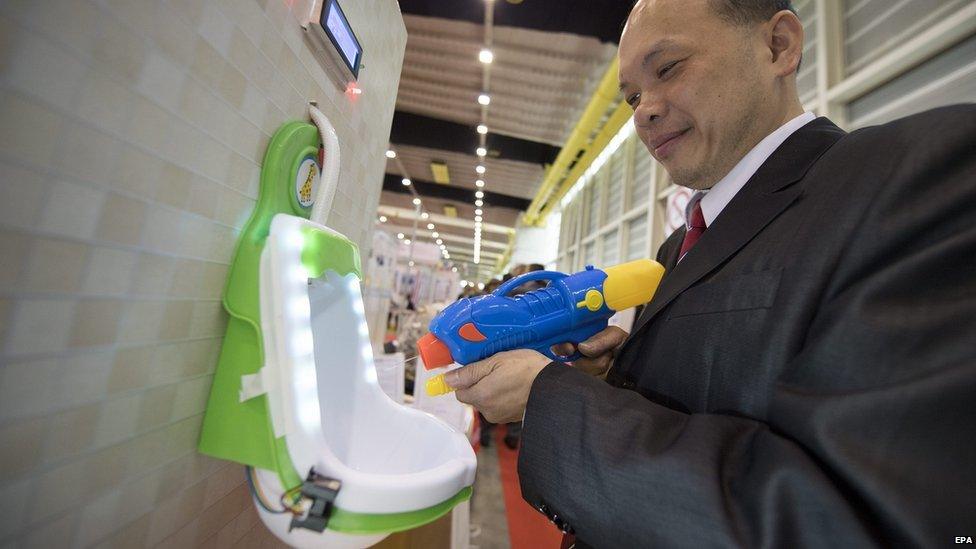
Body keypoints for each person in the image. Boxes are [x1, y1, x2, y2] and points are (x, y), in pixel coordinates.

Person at [444, 0, 976, 546]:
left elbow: (848, 519)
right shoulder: (681, 244)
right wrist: (609, 381)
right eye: (631, 96)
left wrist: (550, 398)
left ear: (779, 46)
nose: (643, 111)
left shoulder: (912, 176)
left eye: (668, 68)